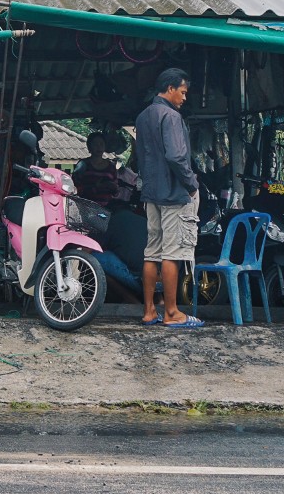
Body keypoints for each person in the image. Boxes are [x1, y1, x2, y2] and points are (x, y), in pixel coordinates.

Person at [136, 68, 201, 328]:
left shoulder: (143, 116)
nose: (184, 98)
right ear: (171, 88)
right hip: (173, 193)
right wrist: (191, 183)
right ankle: (172, 313)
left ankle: (150, 311)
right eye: (183, 92)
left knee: (151, 253)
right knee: (171, 254)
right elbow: (176, 156)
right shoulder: (171, 116)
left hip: (151, 193)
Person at [71, 131, 134, 206]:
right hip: (86, 208)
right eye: (95, 144)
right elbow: (74, 188)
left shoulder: (111, 166)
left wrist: (113, 188)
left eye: (101, 144)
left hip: (107, 209)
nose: (99, 147)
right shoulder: (83, 164)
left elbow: (116, 192)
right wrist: (96, 187)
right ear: (89, 147)